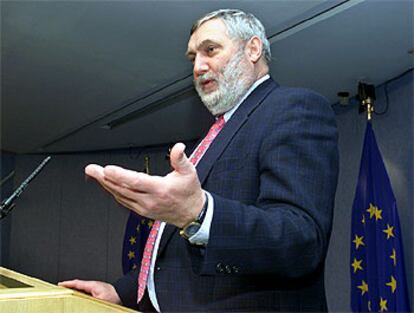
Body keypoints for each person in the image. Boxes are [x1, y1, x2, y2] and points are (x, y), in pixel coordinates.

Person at [59, 9, 339, 312]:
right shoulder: (211, 137)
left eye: (210, 50)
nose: (198, 67)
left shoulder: (294, 108)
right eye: (192, 57)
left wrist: (199, 213)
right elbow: (173, 253)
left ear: (253, 49)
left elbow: (302, 241)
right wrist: (121, 292)